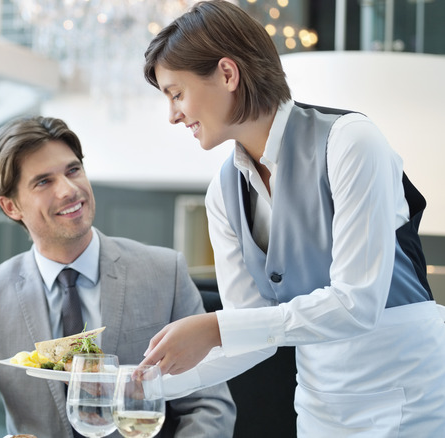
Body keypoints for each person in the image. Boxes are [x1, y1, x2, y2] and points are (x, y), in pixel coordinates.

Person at [138, 1, 445, 436]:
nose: (173, 115)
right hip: (321, 402)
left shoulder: (350, 142)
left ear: (227, 74)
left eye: (176, 93)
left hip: (407, 393)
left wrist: (216, 326)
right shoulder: (223, 194)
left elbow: (357, 305)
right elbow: (249, 335)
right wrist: (141, 382)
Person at [0, 116, 236, 437]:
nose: (70, 190)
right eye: (43, 181)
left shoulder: (163, 273)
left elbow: (209, 404)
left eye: (73, 170)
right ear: (10, 206)